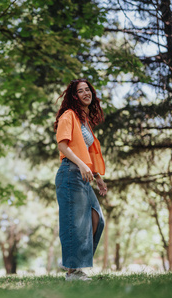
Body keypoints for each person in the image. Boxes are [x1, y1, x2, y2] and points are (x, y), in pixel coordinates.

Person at [54, 78, 107, 281]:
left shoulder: (84, 122)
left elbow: (86, 153)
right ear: (74, 96)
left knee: (96, 220)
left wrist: (97, 177)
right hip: (70, 173)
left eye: (88, 90)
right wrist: (83, 165)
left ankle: (75, 265)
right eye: (81, 90)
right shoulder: (69, 116)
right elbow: (63, 146)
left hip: (83, 176)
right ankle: (72, 271)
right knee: (74, 224)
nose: (86, 93)